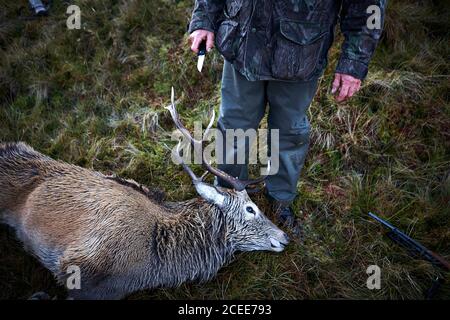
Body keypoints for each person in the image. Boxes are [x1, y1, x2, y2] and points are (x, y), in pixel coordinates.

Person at [188, 1, 386, 236]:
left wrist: (354, 62)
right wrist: (204, 19)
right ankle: (228, 201)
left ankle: (280, 203)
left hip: (302, 52)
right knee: (234, 127)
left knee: (289, 132)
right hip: (242, 44)